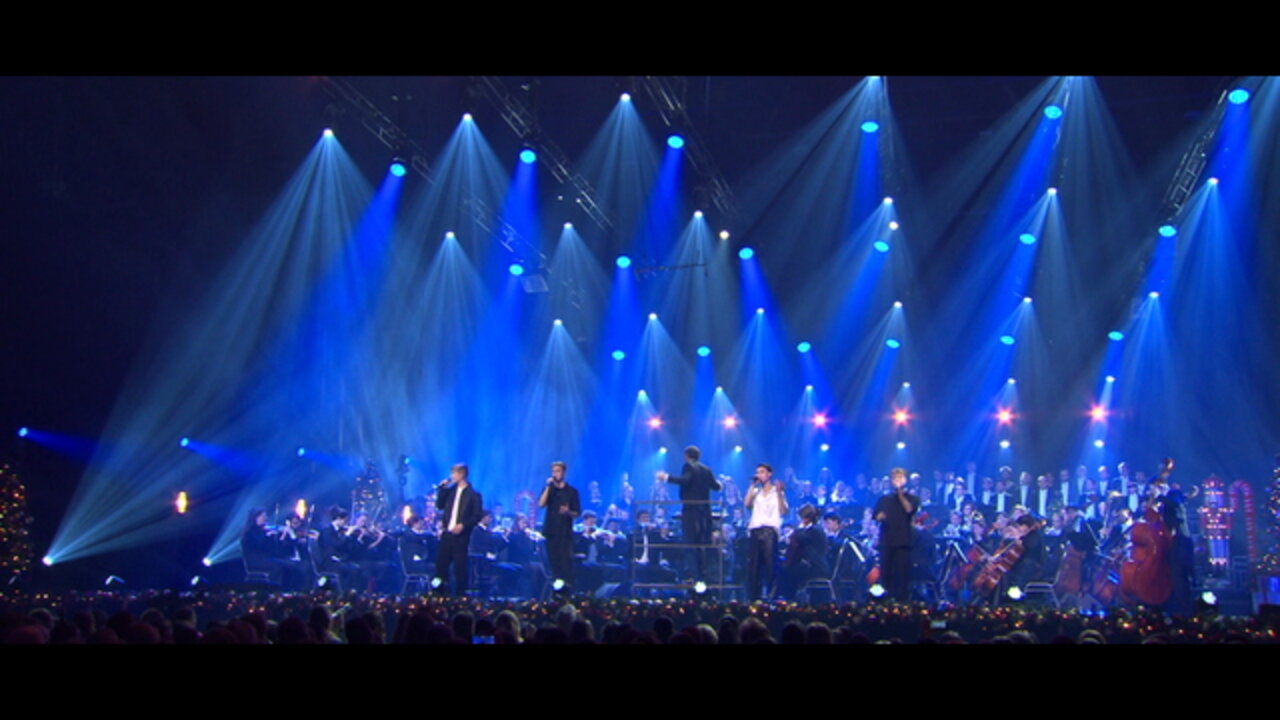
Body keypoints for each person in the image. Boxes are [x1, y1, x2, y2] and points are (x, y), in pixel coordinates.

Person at [659, 445, 721, 581]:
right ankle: (704, 574)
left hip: (691, 510)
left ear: (687, 456)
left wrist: (666, 477)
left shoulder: (688, 466)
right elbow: (716, 486)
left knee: (690, 544)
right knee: (702, 543)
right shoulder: (706, 469)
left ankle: (695, 575)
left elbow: (685, 480)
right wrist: (720, 484)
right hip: (704, 511)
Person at [435, 463, 483, 595]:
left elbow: (477, 516)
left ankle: (460, 595)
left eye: (454, 473)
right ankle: (437, 592)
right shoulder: (450, 492)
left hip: (461, 537)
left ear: (462, 474)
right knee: (440, 567)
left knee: (459, 569)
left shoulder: (473, 495)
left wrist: (463, 525)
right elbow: (439, 505)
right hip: (447, 535)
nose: (451, 476)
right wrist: (442, 489)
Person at [743, 463, 787, 601]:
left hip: (769, 531)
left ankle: (772, 595)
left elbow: (783, 511)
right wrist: (752, 486)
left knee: (770, 565)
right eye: (757, 472)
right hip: (755, 530)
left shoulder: (777, 491)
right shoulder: (756, 492)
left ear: (769, 474)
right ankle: (753, 596)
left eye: (762, 472)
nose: (759, 475)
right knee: (754, 566)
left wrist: (779, 493)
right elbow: (747, 504)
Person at [875, 468, 919, 602]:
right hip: (886, 542)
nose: (897, 481)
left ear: (906, 480)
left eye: (900, 478)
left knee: (902, 576)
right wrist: (880, 516)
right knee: (886, 575)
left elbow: (909, 510)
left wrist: (900, 494)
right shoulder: (884, 499)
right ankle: (885, 601)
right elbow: (877, 515)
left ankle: (902, 602)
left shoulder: (913, 498)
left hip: (903, 543)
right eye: (895, 478)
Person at [538, 460, 580, 590]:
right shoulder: (549, 490)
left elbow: (577, 513)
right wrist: (548, 487)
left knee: (565, 562)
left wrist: (568, 512)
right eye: (553, 471)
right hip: (550, 531)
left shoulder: (572, 492)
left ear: (564, 473)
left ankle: (566, 588)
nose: (555, 474)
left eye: (558, 471)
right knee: (553, 562)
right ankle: (555, 588)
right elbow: (541, 504)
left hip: (565, 532)